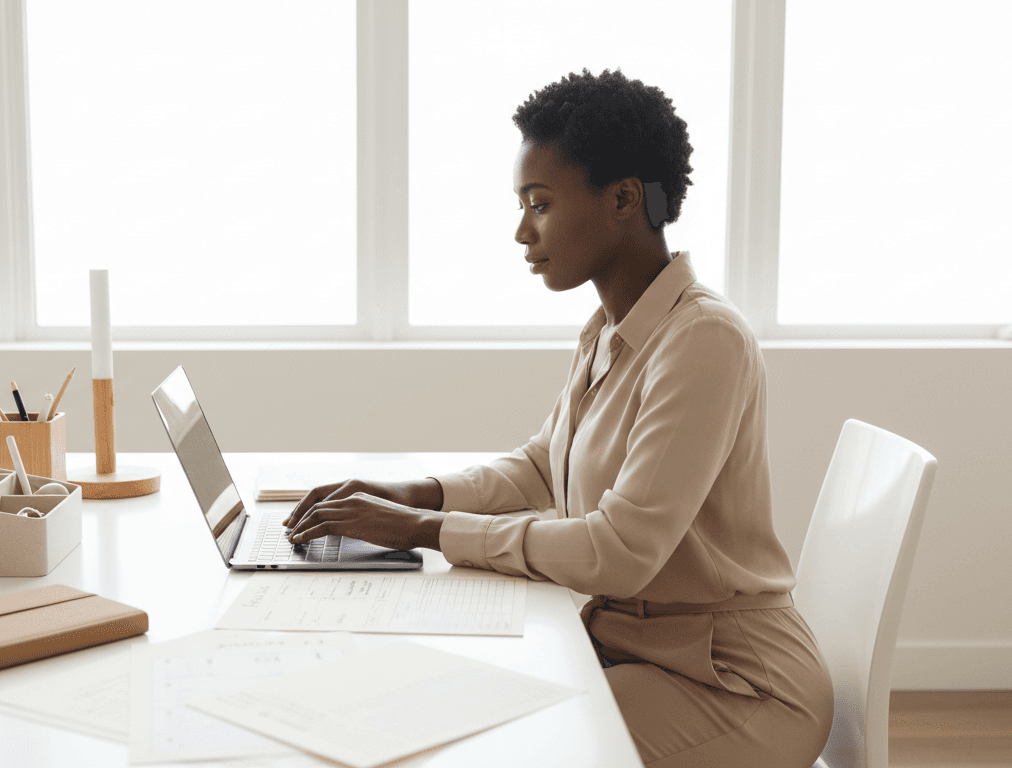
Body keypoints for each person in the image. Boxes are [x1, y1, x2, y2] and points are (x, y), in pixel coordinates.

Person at [284, 68, 834, 767]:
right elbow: (545, 465)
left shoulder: (703, 341)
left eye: (539, 204)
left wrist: (426, 531)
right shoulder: (610, 329)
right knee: (431, 708)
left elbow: (622, 552)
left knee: (502, 745)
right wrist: (414, 495)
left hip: (735, 686)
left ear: (623, 200)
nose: (521, 231)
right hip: (635, 652)